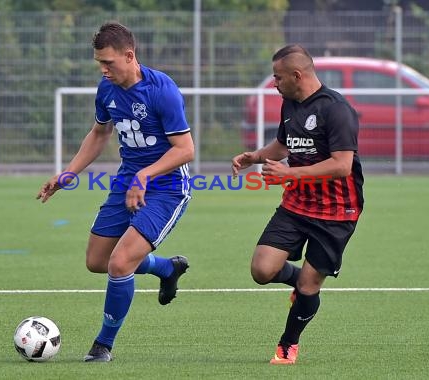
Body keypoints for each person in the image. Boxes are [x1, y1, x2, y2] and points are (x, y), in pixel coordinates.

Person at [36, 21, 194, 362]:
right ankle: (166, 268)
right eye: (99, 63)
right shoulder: (106, 89)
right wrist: (67, 174)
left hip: (166, 187)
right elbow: (99, 134)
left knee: (120, 263)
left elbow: (185, 149)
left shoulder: (161, 90)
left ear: (130, 55)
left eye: (108, 62)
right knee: (97, 261)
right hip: (127, 182)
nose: (103, 69)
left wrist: (145, 176)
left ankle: (102, 345)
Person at [231, 44, 364, 365]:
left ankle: (288, 343)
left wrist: (290, 173)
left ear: (297, 75)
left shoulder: (337, 110)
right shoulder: (289, 103)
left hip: (336, 211)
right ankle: (301, 283)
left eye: (277, 77)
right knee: (262, 270)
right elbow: (283, 143)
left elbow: (342, 165)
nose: (274, 83)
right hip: (297, 204)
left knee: (308, 285)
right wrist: (256, 156)